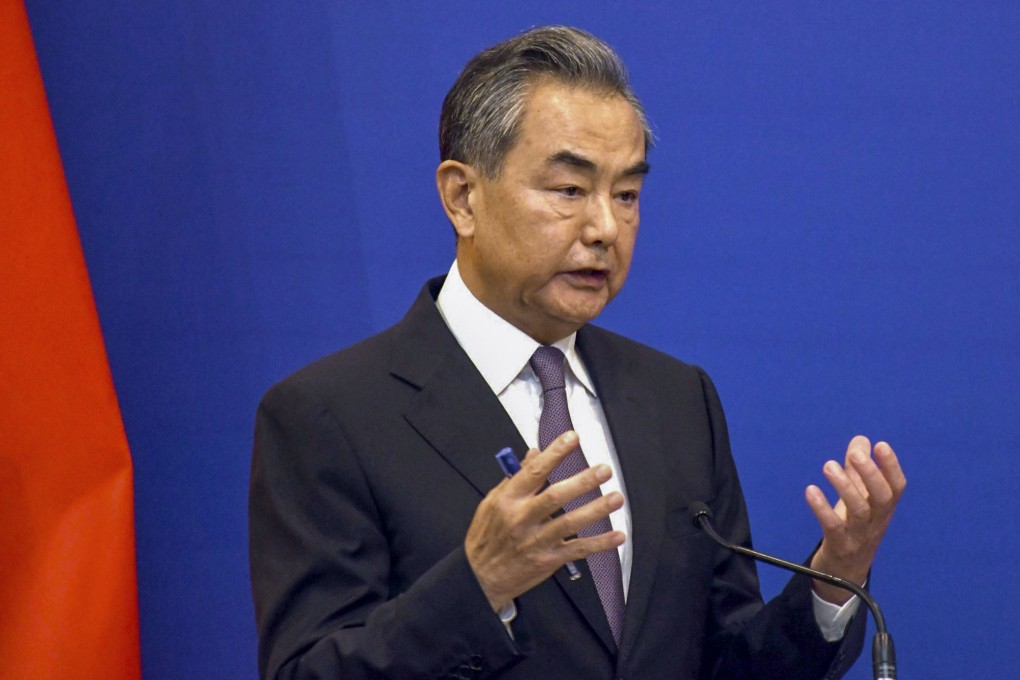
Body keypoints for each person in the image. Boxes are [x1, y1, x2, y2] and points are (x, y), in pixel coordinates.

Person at [249, 26, 906, 680]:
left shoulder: (678, 400)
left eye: (626, 195)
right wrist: (477, 586)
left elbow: (726, 661)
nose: (604, 229)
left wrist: (832, 580)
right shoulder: (329, 415)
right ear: (462, 197)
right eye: (568, 191)